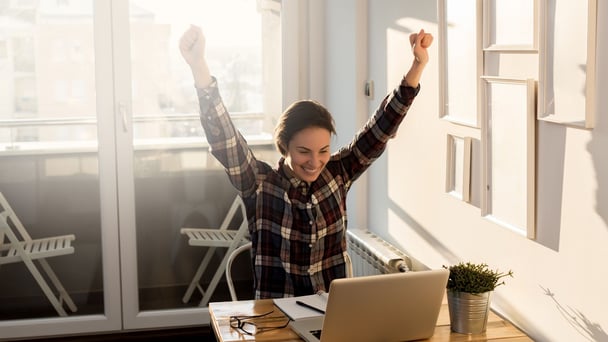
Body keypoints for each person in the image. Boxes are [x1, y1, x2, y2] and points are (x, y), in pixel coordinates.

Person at [179, 25, 432, 299]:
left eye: (323, 150)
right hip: (275, 317)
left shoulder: (339, 172)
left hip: (333, 313)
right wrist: (199, 66)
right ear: (284, 145)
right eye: (303, 151)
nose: (315, 162)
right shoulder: (259, 183)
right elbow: (224, 139)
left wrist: (417, 65)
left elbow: (380, 128)